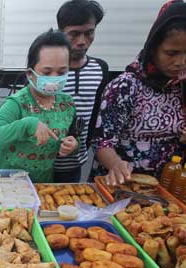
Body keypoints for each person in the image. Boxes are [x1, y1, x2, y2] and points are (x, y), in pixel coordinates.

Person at [92, 1, 186, 186]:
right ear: (154, 47)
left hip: (173, 179)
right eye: (171, 53)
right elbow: (102, 142)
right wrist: (116, 164)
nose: (181, 62)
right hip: (123, 182)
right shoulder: (125, 87)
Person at [0, 29, 79, 183]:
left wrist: (72, 145)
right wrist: (27, 124)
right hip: (7, 184)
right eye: (47, 72)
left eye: (62, 71)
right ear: (30, 73)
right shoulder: (17, 103)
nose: (54, 79)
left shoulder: (67, 104)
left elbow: (73, 136)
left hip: (42, 185)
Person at [53, 0, 107, 183]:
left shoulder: (100, 69)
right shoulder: (48, 71)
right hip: (43, 163)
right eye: (74, 34)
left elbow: (97, 115)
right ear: (61, 33)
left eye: (89, 33)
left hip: (76, 163)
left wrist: (87, 143)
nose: (82, 41)